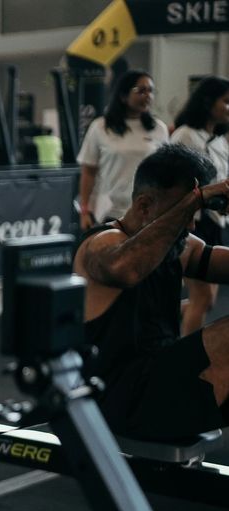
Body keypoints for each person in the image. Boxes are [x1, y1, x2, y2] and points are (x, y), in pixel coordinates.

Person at [75, 143, 229, 442]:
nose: (191, 222)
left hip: (158, 387)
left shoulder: (179, 246)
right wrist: (194, 200)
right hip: (115, 399)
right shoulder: (101, 244)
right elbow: (126, 269)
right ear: (145, 206)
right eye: (187, 210)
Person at [170, 76, 229, 334]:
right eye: (226, 101)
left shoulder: (218, 140)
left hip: (217, 223)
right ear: (208, 102)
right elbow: (173, 182)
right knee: (201, 299)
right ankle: (186, 365)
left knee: (207, 301)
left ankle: (149, 314)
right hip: (193, 223)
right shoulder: (185, 135)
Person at [78, 69, 168, 231]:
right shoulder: (100, 126)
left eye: (151, 91)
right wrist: (84, 211)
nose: (148, 96)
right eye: (141, 91)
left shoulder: (159, 128)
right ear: (123, 96)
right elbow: (88, 172)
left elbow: (165, 173)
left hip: (148, 213)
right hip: (109, 212)